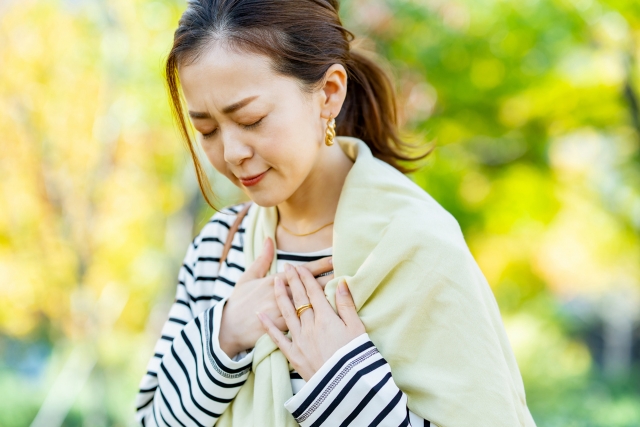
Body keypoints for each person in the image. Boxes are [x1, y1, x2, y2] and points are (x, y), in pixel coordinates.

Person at [135, 0, 537, 426]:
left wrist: (341, 383)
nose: (231, 153)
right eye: (207, 130)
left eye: (251, 119)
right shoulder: (219, 247)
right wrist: (225, 334)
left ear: (329, 93)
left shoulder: (415, 246)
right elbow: (149, 419)